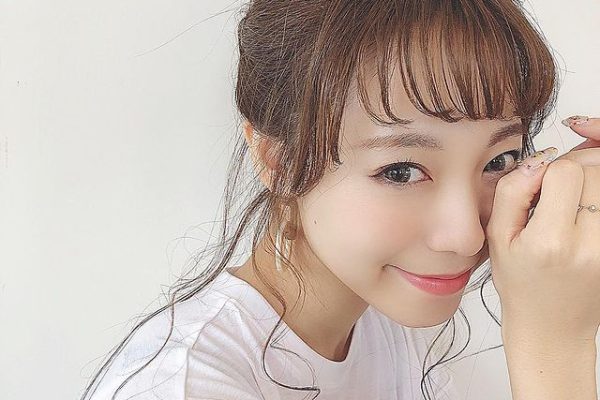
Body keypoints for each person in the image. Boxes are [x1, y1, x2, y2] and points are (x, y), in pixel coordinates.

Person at [79, 1, 600, 399]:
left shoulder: (384, 322)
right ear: (279, 161)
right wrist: (552, 344)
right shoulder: (186, 385)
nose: (465, 236)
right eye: (401, 170)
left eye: (500, 160)